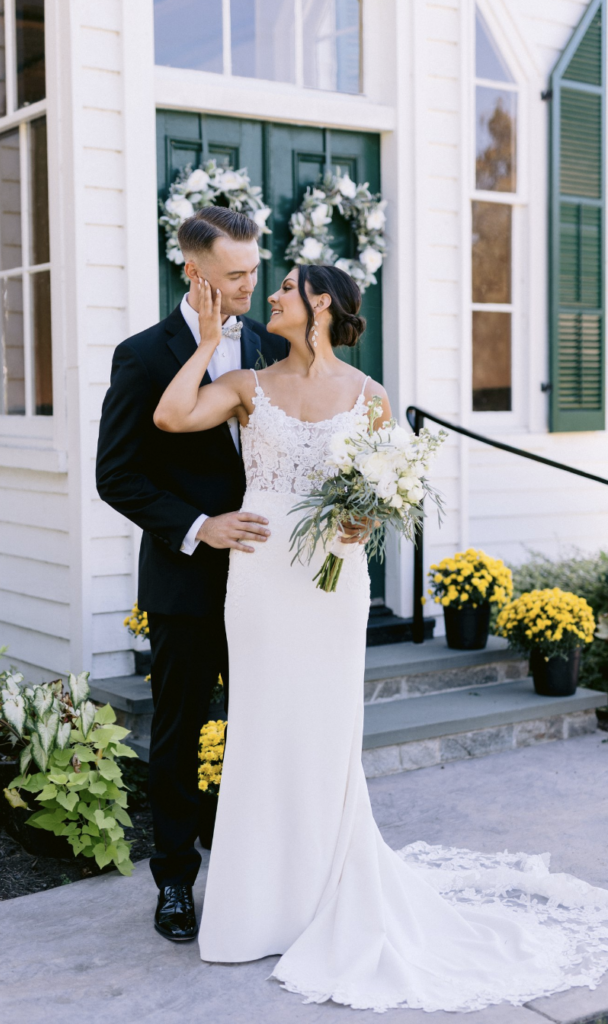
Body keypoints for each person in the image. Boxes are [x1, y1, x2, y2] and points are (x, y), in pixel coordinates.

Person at [153, 262, 608, 1013]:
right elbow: (170, 417)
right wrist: (204, 344)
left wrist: (367, 517)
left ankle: (322, 893)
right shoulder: (245, 386)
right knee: (262, 729)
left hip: (331, 580)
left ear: (319, 302)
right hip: (262, 577)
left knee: (325, 735)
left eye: (284, 285)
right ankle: (255, 907)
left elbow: (390, 488)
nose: (269, 294)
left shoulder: (369, 397)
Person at [95, 207, 290, 942]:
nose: (251, 283)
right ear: (193, 271)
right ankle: (175, 881)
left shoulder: (277, 345)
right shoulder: (143, 355)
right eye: (235, 273)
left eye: (253, 268)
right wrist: (198, 528)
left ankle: (262, 870)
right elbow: (116, 476)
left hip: (274, 582)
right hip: (187, 583)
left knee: (265, 727)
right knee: (178, 734)